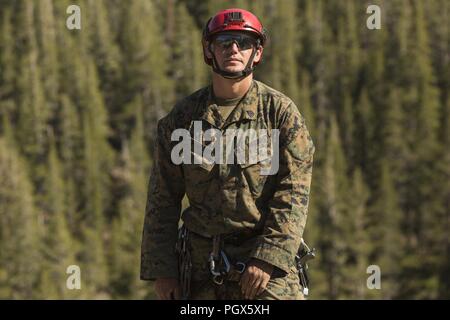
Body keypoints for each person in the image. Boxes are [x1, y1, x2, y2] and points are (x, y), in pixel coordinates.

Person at [140, 8, 315, 300]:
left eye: (243, 43)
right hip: (198, 267)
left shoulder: (280, 114)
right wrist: (162, 271)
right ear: (209, 51)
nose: (233, 49)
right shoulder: (183, 119)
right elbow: (163, 197)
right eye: (224, 42)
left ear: (256, 53)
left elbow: (294, 193)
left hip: (265, 269)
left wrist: (267, 258)